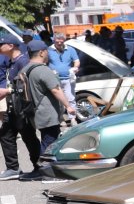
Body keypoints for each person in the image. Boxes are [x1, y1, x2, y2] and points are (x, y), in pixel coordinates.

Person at [20, 39, 68, 180]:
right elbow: (56, 90)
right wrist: (69, 106)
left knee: (46, 141)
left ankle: (42, 171)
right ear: (41, 52)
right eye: (47, 51)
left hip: (34, 112)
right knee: (49, 143)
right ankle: (47, 174)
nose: (48, 54)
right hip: (47, 113)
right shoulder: (43, 70)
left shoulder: (25, 70)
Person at [0, 35, 39, 180]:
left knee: (29, 137)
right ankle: (13, 168)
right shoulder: (12, 62)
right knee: (5, 135)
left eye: (1, 45)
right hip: (13, 107)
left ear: (11, 46)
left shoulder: (23, 62)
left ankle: (39, 167)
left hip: (23, 108)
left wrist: (8, 91)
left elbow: (27, 86)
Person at [47, 30, 80, 124]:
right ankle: (60, 118)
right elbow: (44, 62)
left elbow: (77, 61)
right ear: (54, 40)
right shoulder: (48, 50)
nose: (59, 44)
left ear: (64, 41)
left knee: (71, 98)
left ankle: (72, 118)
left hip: (68, 78)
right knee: (58, 100)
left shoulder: (70, 49)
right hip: (54, 79)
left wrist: (75, 68)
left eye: (61, 42)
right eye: (57, 42)